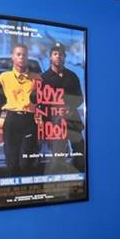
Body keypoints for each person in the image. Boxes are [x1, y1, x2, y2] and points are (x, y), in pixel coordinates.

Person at [0, 43, 38, 176]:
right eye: (18, 54)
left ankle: (26, 191)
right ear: (12, 57)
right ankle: (13, 189)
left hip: (30, 122)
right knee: (12, 161)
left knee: (26, 162)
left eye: (24, 55)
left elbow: (44, 102)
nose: (22, 57)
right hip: (12, 121)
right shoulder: (4, 77)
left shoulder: (37, 79)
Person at [36, 42, 85, 171]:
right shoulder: (43, 78)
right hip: (55, 123)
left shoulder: (72, 76)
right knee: (58, 156)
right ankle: (59, 182)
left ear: (65, 57)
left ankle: (79, 181)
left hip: (72, 121)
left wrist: (69, 107)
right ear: (50, 57)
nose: (58, 57)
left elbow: (79, 98)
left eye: (61, 54)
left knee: (80, 153)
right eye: (55, 54)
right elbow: (39, 101)